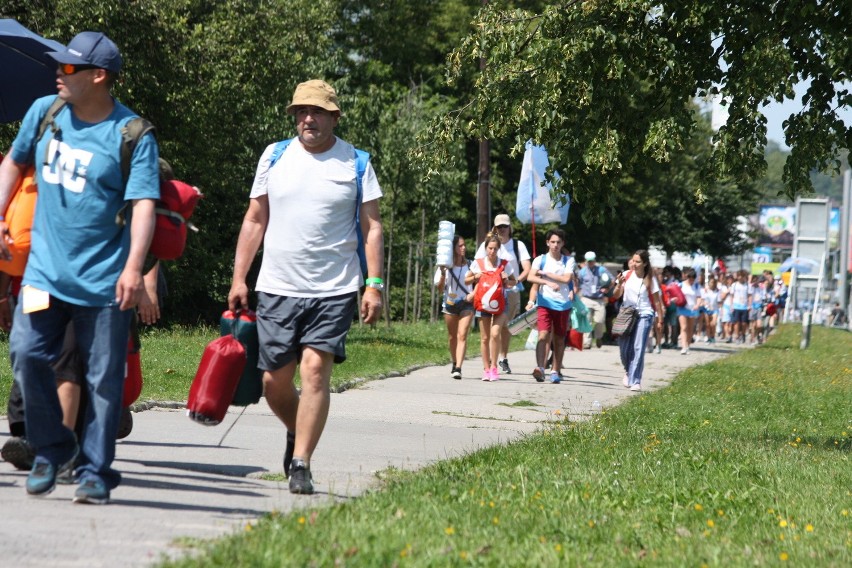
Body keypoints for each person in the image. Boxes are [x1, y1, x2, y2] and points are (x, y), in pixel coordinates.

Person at [0, 32, 159, 504]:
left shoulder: (132, 134)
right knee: (27, 356)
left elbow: (144, 204)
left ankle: (94, 470)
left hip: (104, 281)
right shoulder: (45, 113)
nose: (58, 72)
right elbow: (12, 163)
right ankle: (52, 449)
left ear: (99, 76)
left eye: (69, 68)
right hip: (43, 276)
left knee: (103, 382)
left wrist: (134, 268)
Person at [228, 79, 384, 495]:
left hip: (334, 288)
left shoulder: (356, 162)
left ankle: (301, 462)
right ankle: (297, 431)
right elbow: (254, 219)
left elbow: (372, 228)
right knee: (272, 383)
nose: (307, 118)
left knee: (315, 371)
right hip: (278, 285)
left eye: (316, 111)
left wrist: (374, 284)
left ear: (334, 117)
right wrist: (239, 278)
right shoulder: (274, 156)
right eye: (301, 111)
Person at [474, 214, 531, 375]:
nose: (502, 229)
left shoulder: (517, 245)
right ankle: (491, 362)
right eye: (499, 227)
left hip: (510, 292)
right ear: (495, 228)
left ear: (510, 227)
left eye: (505, 226)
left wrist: (515, 282)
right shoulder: (487, 245)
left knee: (506, 327)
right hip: (488, 293)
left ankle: (503, 358)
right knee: (491, 331)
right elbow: (477, 265)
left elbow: (527, 267)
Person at [466, 233, 517, 381]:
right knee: (484, 338)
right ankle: (486, 369)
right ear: (485, 248)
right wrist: (476, 276)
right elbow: (466, 280)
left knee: (495, 334)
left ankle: (494, 367)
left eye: (495, 249)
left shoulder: (505, 264)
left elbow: (515, 282)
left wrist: (507, 280)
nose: (492, 251)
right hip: (483, 304)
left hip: (501, 303)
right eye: (490, 248)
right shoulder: (478, 263)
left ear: (499, 249)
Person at [526, 229, 574, 384]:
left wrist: (545, 273)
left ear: (563, 243)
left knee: (559, 339)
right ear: (547, 243)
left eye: (558, 242)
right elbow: (530, 276)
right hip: (545, 303)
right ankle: (540, 368)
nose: (555, 245)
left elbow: (566, 279)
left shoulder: (568, 261)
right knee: (543, 335)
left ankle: (555, 370)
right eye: (552, 242)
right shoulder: (540, 259)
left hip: (563, 304)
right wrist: (546, 281)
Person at [612, 250, 664, 392]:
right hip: (627, 314)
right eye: (633, 261)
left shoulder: (650, 278)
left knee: (638, 347)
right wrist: (618, 285)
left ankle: (635, 380)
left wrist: (660, 319)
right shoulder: (626, 275)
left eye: (638, 261)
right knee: (624, 348)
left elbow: (657, 301)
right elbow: (616, 295)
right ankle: (628, 371)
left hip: (644, 314)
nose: (634, 264)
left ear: (645, 263)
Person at [433, 235, 474, 380]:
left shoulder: (471, 264)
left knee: (462, 335)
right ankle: (454, 361)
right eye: (460, 246)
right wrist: (443, 273)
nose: (463, 248)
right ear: (453, 249)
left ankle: (458, 368)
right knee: (452, 337)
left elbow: (481, 282)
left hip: (467, 303)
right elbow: (439, 288)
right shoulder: (444, 266)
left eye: (464, 245)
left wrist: (473, 293)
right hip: (450, 304)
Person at [577, 251, 613, 349]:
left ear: (595, 260)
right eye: (588, 261)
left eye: (592, 261)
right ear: (585, 261)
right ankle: (587, 342)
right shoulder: (582, 272)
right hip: (586, 298)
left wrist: (607, 289)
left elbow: (613, 280)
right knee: (587, 321)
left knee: (600, 321)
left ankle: (598, 337)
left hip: (599, 299)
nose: (590, 263)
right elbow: (577, 283)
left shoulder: (602, 270)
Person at [677, 268, 702, 355]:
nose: (691, 280)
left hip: (692, 309)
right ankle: (683, 346)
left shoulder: (696, 286)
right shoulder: (681, 285)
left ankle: (687, 345)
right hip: (682, 308)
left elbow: (699, 297)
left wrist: (697, 305)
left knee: (690, 328)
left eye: (693, 278)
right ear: (687, 277)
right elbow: (676, 295)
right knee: (684, 327)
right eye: (690, 278)